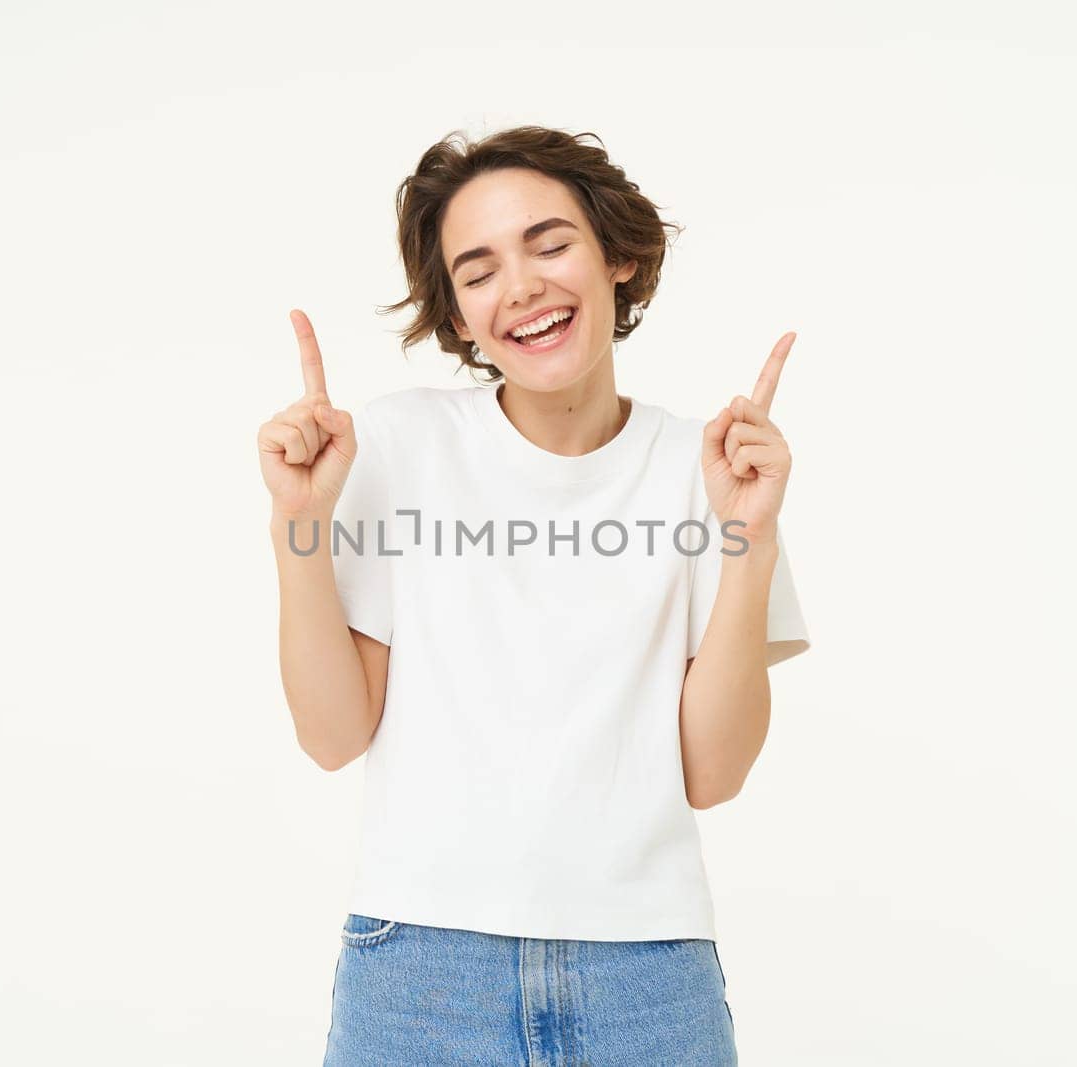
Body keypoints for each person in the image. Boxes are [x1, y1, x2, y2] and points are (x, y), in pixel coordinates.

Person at [259, 125, 811, 1066]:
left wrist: (745, 542)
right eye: (477, 271)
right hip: (420, 970)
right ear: (459, 317)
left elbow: (712, 775)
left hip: (648, 974)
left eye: (550, 245)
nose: (519, 285)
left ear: (621, 260)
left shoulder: (707, 469)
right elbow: (332, 735)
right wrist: (297, 529)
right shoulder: (399, 446)